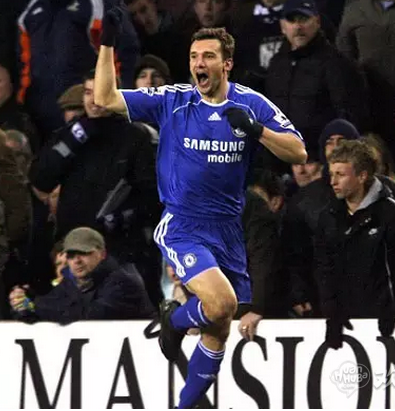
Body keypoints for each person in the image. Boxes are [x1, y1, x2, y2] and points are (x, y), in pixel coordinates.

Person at [93, 12, 307, 408]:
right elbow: (105, 98)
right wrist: (107, 44)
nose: (198, 64)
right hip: (184, 224)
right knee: (222, 304)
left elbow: (298, 152)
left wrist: (257, 130)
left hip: (228, 228)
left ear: (227, 63)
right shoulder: (174, 100)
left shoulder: (250, 104)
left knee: (219, 327)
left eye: (208, 56)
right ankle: (174, 321)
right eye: (194, 57)